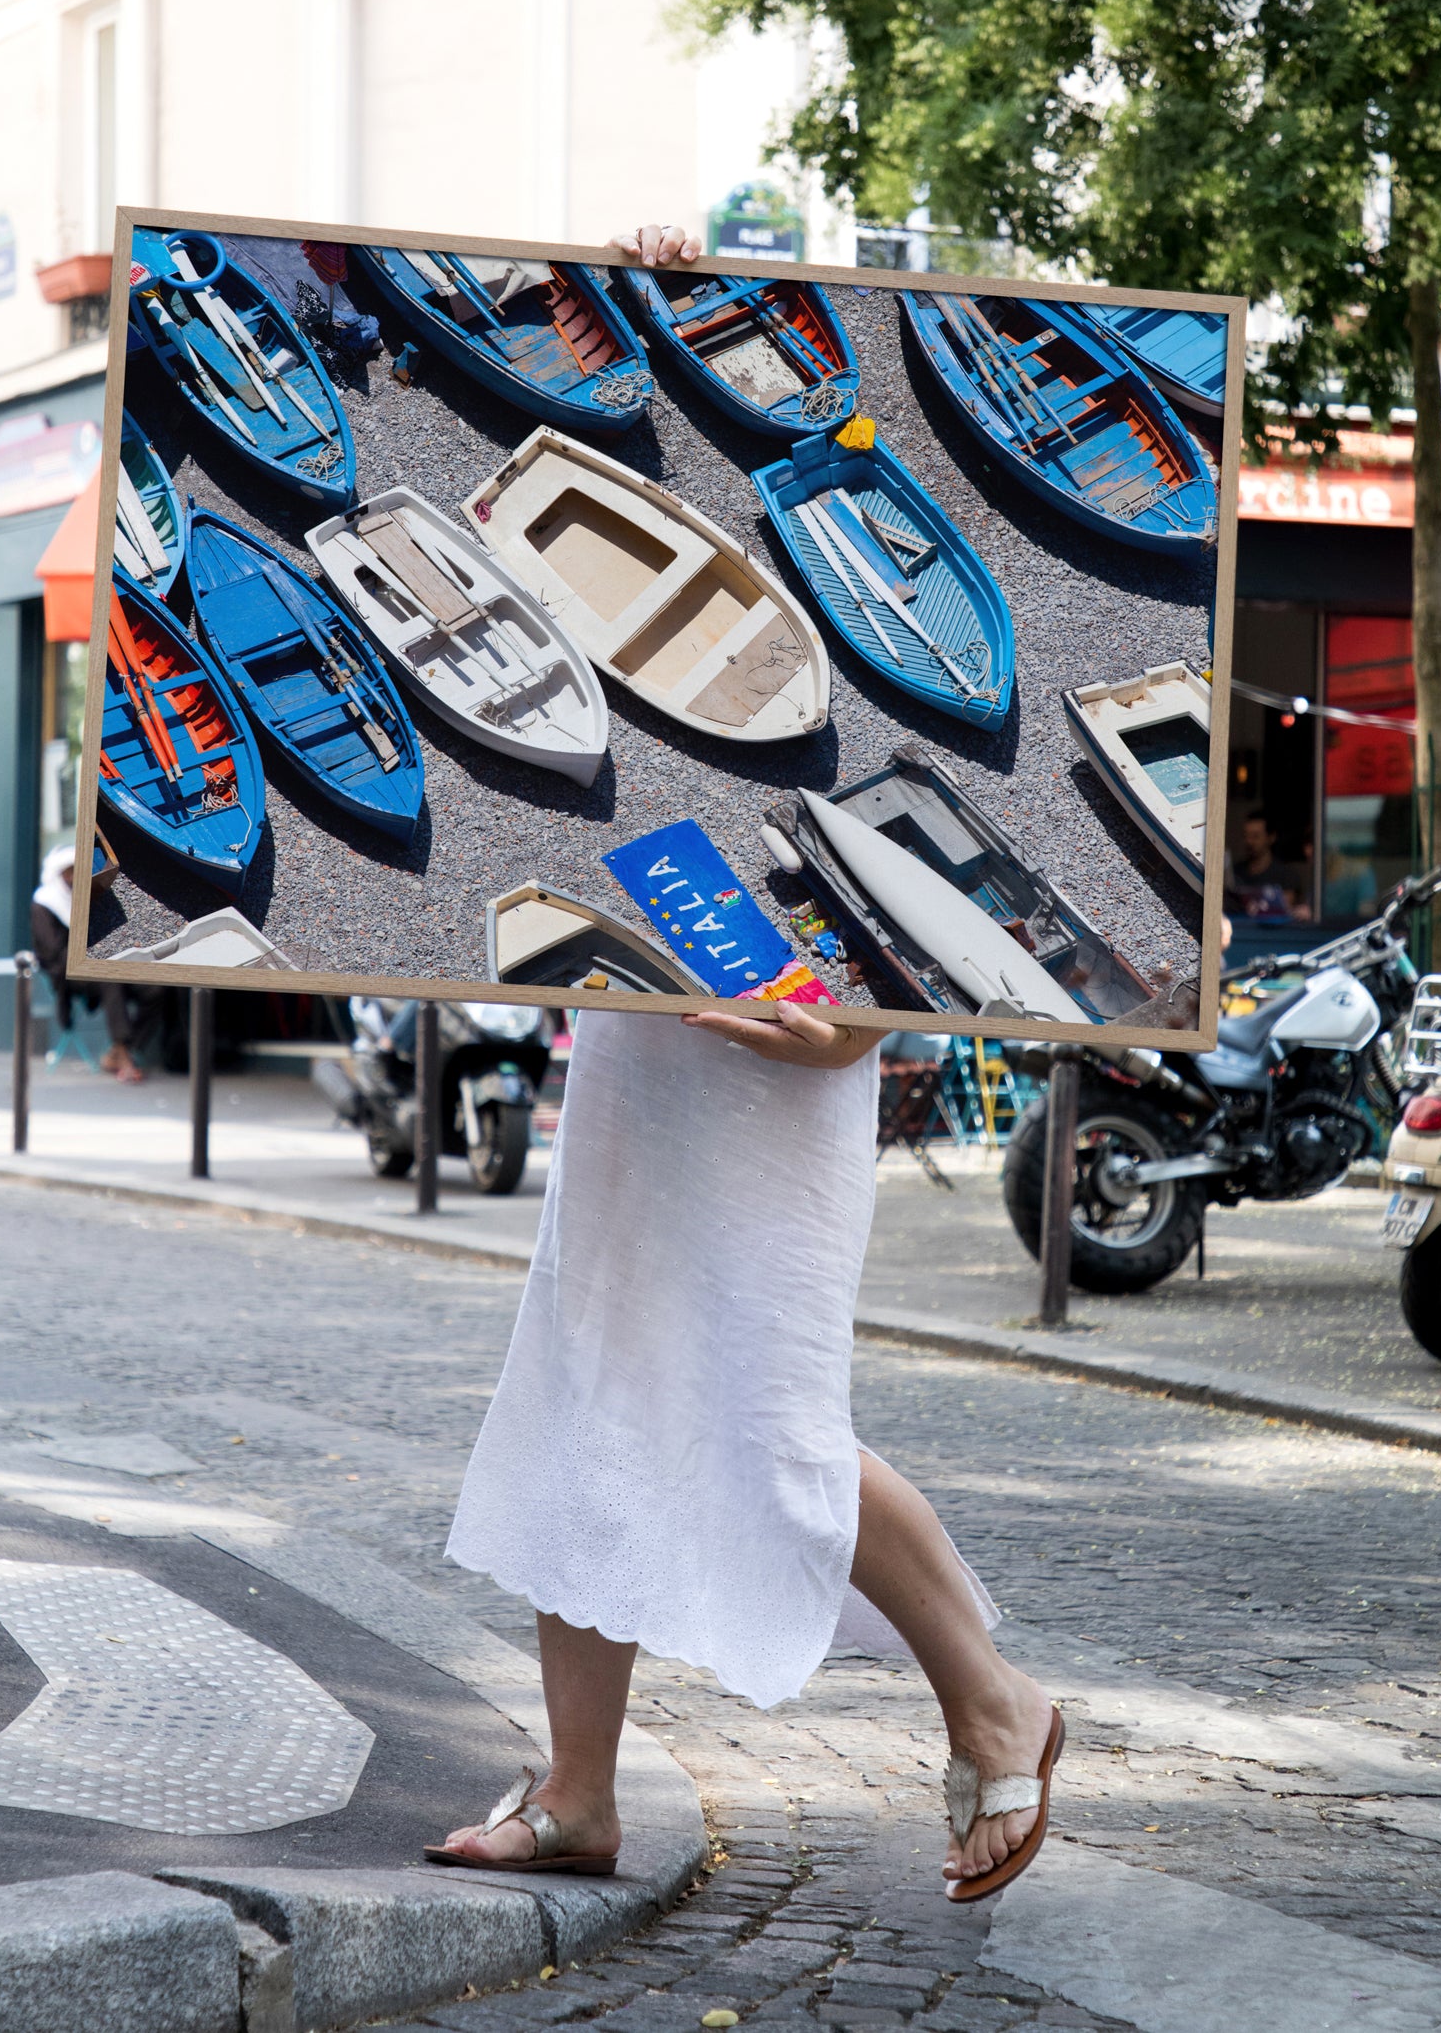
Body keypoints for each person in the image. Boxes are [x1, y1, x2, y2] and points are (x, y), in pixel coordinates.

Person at [427, 222, 1060, 1906]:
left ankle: (996, 1702)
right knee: (586, 1384)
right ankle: (575, 1794)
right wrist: (604, 300)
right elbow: (572, 434)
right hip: (654, 1006)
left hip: (803, 1026)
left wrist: (878, 1000)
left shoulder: (850, 471)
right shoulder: (673, 441)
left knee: (762, 1417)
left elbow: (958, 824)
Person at [30, 845, 144, 1082]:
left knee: (156, 989)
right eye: (69, 872)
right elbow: (53, 953)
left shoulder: (87, 897)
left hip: (103, 966)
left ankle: (123, 1048)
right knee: (108, 977)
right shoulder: (44, 903)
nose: (73, 877)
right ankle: (123, 1053)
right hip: (68, 974)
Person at [1227, 807, 1304, 922]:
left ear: (1271, 837)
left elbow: (1284, 910)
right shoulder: (1235, 872)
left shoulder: (1286, 874)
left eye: (1255, 836)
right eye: (1246, 836)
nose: (1249, 841)